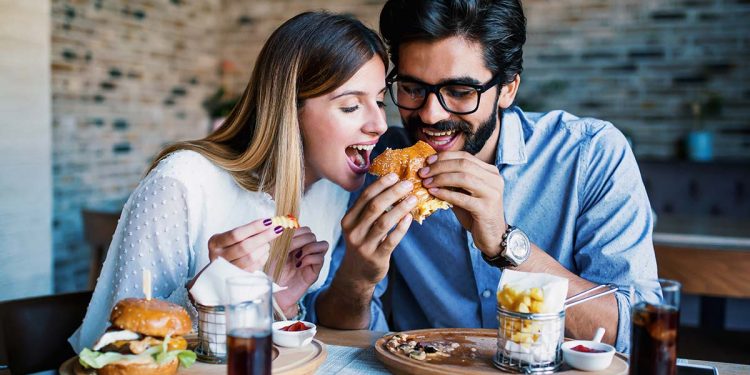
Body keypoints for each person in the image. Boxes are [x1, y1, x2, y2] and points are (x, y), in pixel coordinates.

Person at [306, 0, 657, 353]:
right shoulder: (377, 163)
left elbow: (640, 333)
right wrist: (358, 278)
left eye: (459, 92)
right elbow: (337, 331)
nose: (430, 115)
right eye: (412, 89)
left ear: (507, 88)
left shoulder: (590, 154)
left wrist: (506, 245)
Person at [69, 11, 389, 352]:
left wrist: (283, 303)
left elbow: (262, 344)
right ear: (288, 109)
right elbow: (116, 347)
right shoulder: (181, 183)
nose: (380, 124)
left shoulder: (332, 193)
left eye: (381, 101)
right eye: (352, 106)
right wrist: (207, 293)